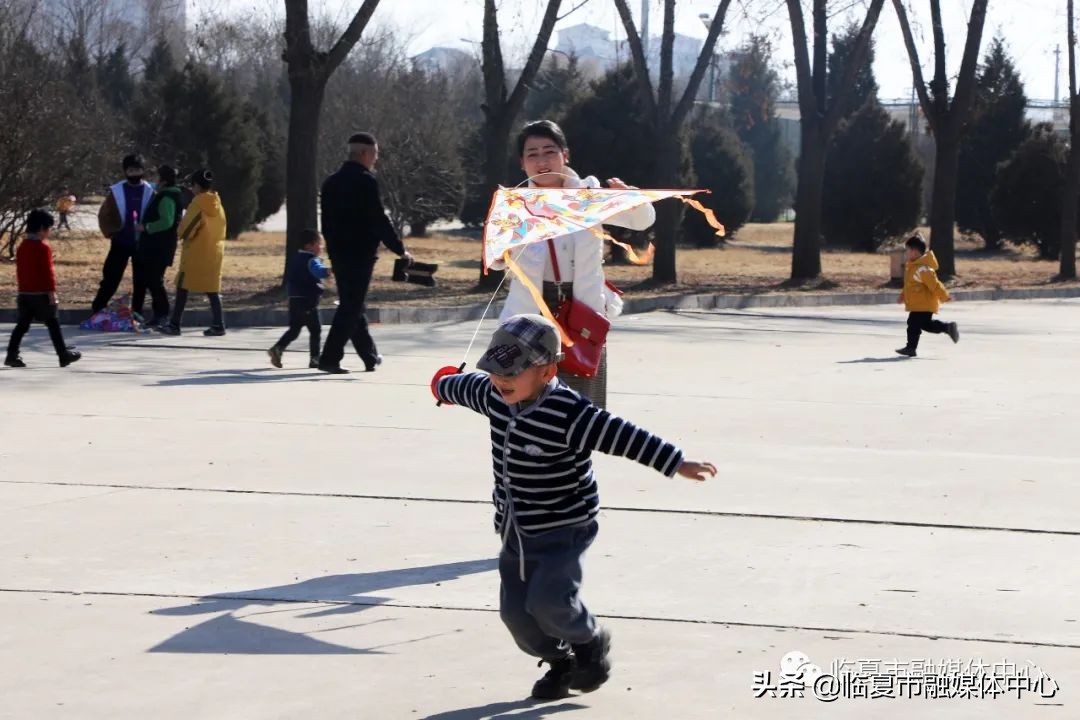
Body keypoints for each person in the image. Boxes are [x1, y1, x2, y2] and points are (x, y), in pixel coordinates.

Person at [431, 314, 716, 700]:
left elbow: (622, 434)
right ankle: (560, 663)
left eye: (510, 373)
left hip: (566, 527)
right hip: (515, 530)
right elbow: (462, 386)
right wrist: (442, 384)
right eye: (495, 370)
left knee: (549, 603)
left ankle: (589, 642)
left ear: (546, 372)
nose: (500, 381)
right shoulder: (491, 394)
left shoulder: (570, 413)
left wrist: (674, 461)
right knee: (516, 616)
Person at [494, 120, 656, 408]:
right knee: (528, 400)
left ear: (565, 155)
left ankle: (577, 454)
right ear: (522, 163)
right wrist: (498, 252)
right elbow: (495, 262)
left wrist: (632, 197)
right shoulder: (516, 203)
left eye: (549, 151)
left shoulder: (587, 196)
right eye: (532, 154)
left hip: (581, 311)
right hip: (531, 311)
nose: (542, 161)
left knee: (581, 404)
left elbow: (642, 221)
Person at [318, 132, 412, 374]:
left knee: (353, 302)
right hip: (360, 253)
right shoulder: (365, 181)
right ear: (365, 153)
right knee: (351, 305)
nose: (376, 159)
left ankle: (369, 357)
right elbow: (378, 219)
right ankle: (329, 357)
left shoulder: (331, 182)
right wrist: (399, 249)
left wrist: (331, 248)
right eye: (375, 154)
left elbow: (326, 224)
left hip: (338, 253)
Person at [5, 210, 81, 368]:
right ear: (41, 228)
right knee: (53, 323)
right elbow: (48, 273)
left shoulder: (22, 247)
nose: (49, 232)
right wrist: (51, 291)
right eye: (48, 228)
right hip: (41, 293)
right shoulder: (42, 247)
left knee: (22, 325)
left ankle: (12, 354)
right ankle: (63, 355)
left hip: (24, 293)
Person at [158, 169, 227, 336]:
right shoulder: (217, 203)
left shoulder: (198, 204)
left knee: (183, 286)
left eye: (192, 186)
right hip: (214, 252)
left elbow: (186, 230)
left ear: (196, 186)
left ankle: (174, 324)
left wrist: (180, 227)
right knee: (212, 289)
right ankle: (219, 324)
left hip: (196, 253)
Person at [92, 154, 155, 314]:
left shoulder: (150, 191)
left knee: (140, 281)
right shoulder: (117, 190)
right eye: (131, 170)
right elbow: (104, 215)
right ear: (125, 171)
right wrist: (111, 232)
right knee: (111, 278)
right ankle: (97, 308)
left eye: (138, 170)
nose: (134, 174)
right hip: (120, 241)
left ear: (143, 171)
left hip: (142, 243)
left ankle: (137, 312)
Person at [267, 229, 331, 369]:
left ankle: (278, 348)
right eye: (319, 244)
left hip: (295, 300)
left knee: (295, 329)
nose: (322, 247)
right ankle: (315, 359)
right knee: (316, 330)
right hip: (307, 301)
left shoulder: (296, 259)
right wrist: (329, 271)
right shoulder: (311, 260)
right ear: (309, 246)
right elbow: (318, 271)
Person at [132, 165, 183, 327]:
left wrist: (146, 227)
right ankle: (158, 315)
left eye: (156, 176)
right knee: (152, 280)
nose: (154, 179)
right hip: (155, 246)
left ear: (163, 179)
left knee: (155, 281)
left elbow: (166, 221)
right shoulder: (164, 194)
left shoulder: (167, 197)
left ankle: (162, 314)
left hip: (159, 247)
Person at [896, 234, 960, 357]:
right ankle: (948, 328)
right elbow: (909, 285)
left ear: (914, 252)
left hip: (924, 304)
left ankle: (911, 348)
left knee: (913, 325)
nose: (906, 253)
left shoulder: (923, 269)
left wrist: (945, 296)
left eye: (907, 250)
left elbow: (935, 285)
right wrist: (902, 295)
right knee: (926, 325)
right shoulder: (913, 267)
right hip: (919, 304)